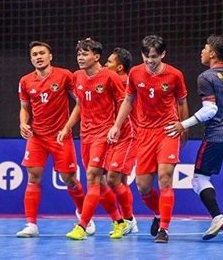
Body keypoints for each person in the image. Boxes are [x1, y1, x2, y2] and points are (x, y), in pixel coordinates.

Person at [165, 35, 223, 242]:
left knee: (199, 179)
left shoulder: (206, 77)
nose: (202, 51)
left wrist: (183, 125)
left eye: (205, 48)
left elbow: (210, 109)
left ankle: (217, 216)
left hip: (217, 135)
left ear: (213, 54)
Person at [107, 35, 189, 243]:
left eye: (154, 56)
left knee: (164, 178)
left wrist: (184, 126)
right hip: (144, 134)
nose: (150, 61)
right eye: (146, 56)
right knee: (143, 187)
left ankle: (164, 229)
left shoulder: (174, 75)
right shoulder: (135, 73)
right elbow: (128, 100)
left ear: (163, 54)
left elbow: (181, 102)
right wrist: (116, 126)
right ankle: (159, 213)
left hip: (167, 131)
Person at [16, 41, 94, 237]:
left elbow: (80, 102)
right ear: (31, 58)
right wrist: (23, 124)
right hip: (37, 137)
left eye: (42, 53)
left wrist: (67, 127)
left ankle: (84, 216)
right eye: (34, 54)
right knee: (33, 177)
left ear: (50, 56)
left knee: (69, 179)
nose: (38, 57)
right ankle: (31, 225)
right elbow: (25, 108)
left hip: (61, 137)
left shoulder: (65, 75)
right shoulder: (25, 81)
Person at [58, 38, 128, 240]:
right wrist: (67, 127)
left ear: (96, 57)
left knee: (91, 177)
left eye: (85, 53)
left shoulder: (109, 77)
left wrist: (116, 126)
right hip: (85, 135)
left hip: (103, 134)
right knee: (101, 183)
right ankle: (119, 222)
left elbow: (124, 102)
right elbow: (79, 105)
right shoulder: (77, 77)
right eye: (79, 54)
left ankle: (82, 226)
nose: (80, 57)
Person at [104, 47, 139, 234]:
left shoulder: (125, 82)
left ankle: (128, 219)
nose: (104, 65)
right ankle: (129, 220)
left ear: (119, 67)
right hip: (116, 137)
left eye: (108, 62)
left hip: (130, 135)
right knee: (121, 181)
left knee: (112, 179)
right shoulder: (112, 82)